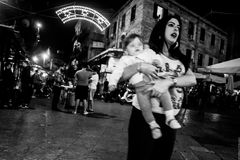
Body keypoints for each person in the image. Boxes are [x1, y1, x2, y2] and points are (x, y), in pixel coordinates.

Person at [120, 15, 197, 160]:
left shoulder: (180, 59)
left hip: (169, 118)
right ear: (161, 29)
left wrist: (168, 81)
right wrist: (140, 66)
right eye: (171, 25)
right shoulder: (148, 52)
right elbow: (123, 74)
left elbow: (192, 79)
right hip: (145, 118)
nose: (176, 29)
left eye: (178, 27)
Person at [109, 33, 181, 140]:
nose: (137, 47)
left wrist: (157, 61)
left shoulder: (148, 53)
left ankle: (170, 117)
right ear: (126, 50)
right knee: (144, 106)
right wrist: (112, 83)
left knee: (165, 95)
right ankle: (153, 126)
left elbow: (156, 57)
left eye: (139, 44)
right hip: (140, 87)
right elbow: (117, 72)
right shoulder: (125, 59)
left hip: (155, 82)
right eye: (132, 46)